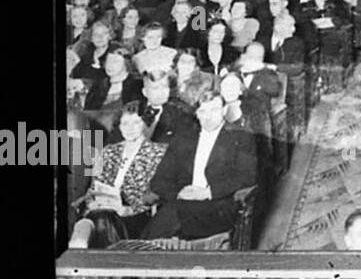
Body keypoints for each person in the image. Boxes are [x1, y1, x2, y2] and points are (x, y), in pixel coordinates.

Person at [143, 94, 258, 241]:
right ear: (196, 114)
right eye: (203, 112)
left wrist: (207, 193)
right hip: (182, 204)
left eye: (214, 110)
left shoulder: (241, 138)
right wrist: (180, 193)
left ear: (224, 110)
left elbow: (247, 176)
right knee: (171, 216)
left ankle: (140, 253)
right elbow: (158, 181)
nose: (208, 117)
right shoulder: (183, 140)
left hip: (219, 207)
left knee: (172, 215)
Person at [79, 108, 168, 238]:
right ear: (119, 126)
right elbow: (94, 186)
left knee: (100, 221)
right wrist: (92, 203)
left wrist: (128, 210)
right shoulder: (108, 151)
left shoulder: (158, 152)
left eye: (136, 123)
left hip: (136, 214)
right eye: (125, 123)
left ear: (145, 124)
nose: (130, 128)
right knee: (96, 218)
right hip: (103, 208)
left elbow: (158, 193)